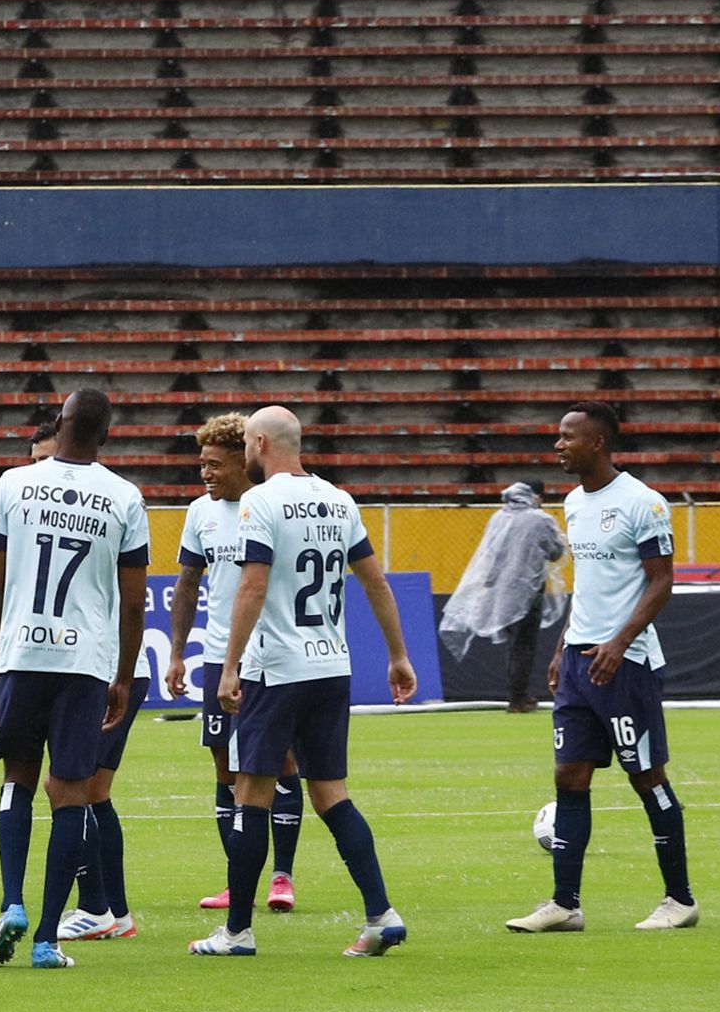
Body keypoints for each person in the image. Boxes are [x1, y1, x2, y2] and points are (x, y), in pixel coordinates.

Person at [195, 407, 421, 960]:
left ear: (261, 443)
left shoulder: (260, 502)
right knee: (331, 794)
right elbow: (376, 583)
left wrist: (230, 666)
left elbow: (251, 588)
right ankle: (380, 914)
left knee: (250, 793)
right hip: (330, 665)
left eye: (248, 444)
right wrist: (398, 656)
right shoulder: (340, 501)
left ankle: (238, 931)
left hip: (276, 668)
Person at [509, 406, 702, 934]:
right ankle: (564, 904)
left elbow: (661, 582)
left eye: (567, 436)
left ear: (597, 442)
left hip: (626, 664)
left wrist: (620, 641)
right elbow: (591, 583)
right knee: (569, 775)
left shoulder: (644, 503)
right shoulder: (573, 502)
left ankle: (680, 899)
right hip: (579, 661)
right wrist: (562, 646)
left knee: (647, 778)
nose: (557, 445)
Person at [0, 389, 146, 969]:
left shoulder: (12, 485)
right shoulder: (125, 497)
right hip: (86, 663)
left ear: (60, 423)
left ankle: (11, 903)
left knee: (17, 779)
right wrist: (123, 675)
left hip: (22, 652)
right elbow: (132, 602)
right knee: (70, 791)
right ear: (106, 434)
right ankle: (47, 939)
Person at [166, 411, 309, 917]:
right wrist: (179, 652)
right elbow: (186, 585)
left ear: (242, 459)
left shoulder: (267, 505)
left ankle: (282, 877)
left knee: (280, 763)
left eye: (213, 464)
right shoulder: (199, 512)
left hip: (270, 657)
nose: (204, 473)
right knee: (225, 766)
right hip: (217, 658)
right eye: (200, 464)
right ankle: (237, 879)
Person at [441, 480, 566, 714]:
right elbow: (555, 551)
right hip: (528, 590)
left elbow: (490, 554)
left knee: (512, 645)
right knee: (524, 645)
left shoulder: (498, 517)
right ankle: (518, 698)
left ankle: (515, 693)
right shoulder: (540, 519)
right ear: (537, 495)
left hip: (501, 590)